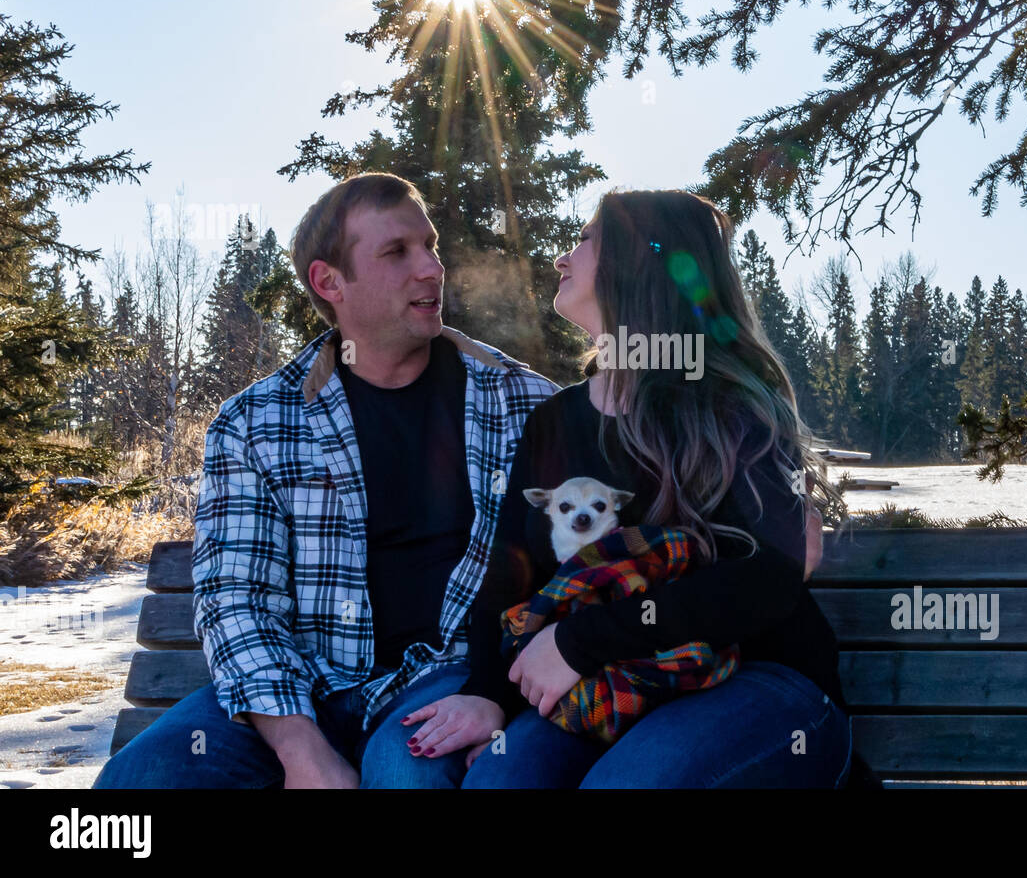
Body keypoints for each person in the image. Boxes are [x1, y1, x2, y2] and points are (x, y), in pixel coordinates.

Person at [93, 172, 557, 788]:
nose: (431, 268)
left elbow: (578, 565)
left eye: (431, 246)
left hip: (445, 678)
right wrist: (300, 749)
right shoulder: (257, 422)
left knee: (409, 775)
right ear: (328, 281)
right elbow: (238, 600)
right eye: (397, 252)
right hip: (300, 686)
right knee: (143, 778)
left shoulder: (522, 404)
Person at [401, 189, 857, 787]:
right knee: (501, 781)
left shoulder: (726, 407)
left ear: (638, 261)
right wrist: (487, 693)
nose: (563, 258)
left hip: (760, 678)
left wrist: (580, 641)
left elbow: (770, 573)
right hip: (610, 687)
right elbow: (509, 574)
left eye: (586, 239)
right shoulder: (555, 422)